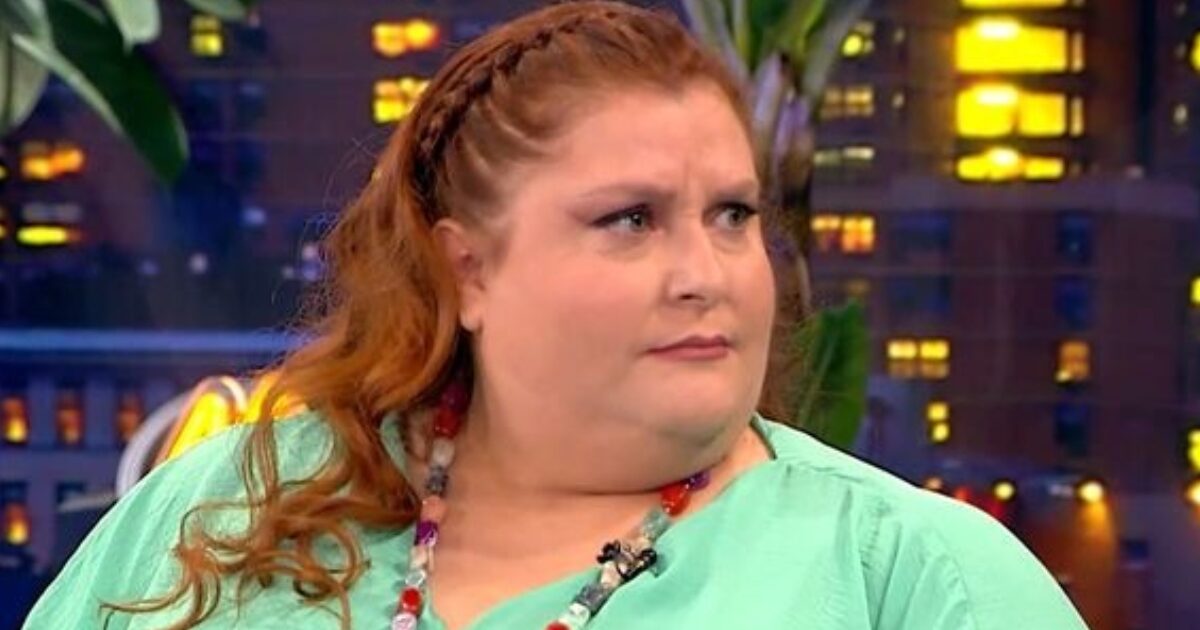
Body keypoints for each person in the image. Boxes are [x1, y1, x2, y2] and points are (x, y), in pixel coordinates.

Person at [22, 2, 1090, 629]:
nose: (705, 272)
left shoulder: (914, 574)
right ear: (467, 270)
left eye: (732, 215)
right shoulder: (234, 505)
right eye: (631, 220)